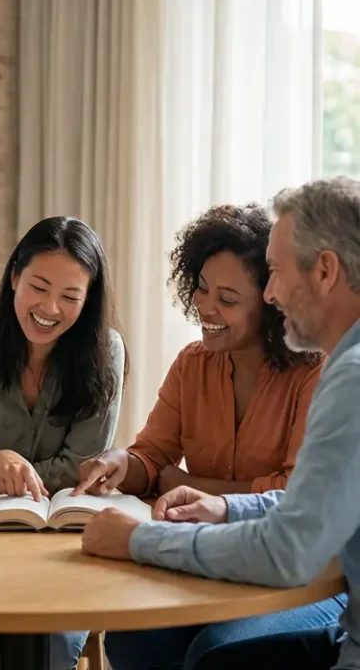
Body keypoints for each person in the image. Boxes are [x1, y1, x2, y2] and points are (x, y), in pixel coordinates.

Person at [81, 176, 360, 670]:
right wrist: (226, 507)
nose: (273, 292)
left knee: (219, 657)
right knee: (139, 640)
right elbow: (302, 504)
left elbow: (291, 546)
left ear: (325, 271)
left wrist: (140, 538)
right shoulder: (200, 363)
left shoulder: (345, 376)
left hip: (337, 619)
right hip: (341, 624)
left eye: (276, 272)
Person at [0, 216, 125, 670]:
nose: (49, 307)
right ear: (14, 277)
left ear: (88, 301)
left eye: (70, 296)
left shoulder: (105, 353)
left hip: (62, 553)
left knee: (46, 651)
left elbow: (81, 467)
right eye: (39, 286)